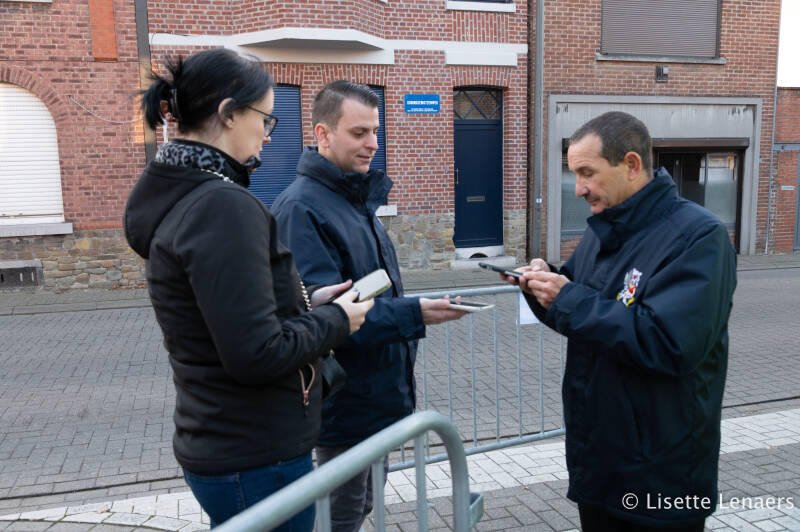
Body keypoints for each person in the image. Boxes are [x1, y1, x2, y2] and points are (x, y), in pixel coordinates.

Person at [123, 49, 374, 530]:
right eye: (265, 117)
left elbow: (228, 316)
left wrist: (307, 304)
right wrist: (339, 319)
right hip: (256, 454)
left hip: (224, 443)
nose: (267, 132)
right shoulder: (221, 205)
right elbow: (255, 352)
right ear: (228, 113)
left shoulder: (183, 194)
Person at [501, 111, 736, 531]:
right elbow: (582, 306)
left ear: (630, 164)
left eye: (587, 173)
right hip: (601, 463)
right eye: (574, 174)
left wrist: (567, 296)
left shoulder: (698, 238)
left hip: (661, 475)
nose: (579, 189)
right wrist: (541, 286)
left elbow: (668, 344)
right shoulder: (603, 231)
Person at [271, 80, 468, 532]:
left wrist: (411, 311)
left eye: (375, 132)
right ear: (322, 134)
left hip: (374, 398)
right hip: (345, 405)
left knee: (359, 508)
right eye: (359, 133)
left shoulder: (352, 198)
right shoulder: (303, 209)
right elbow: (329, 318)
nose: (373, 145)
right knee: (341, 516)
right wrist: (415, 313)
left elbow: (369, 295)